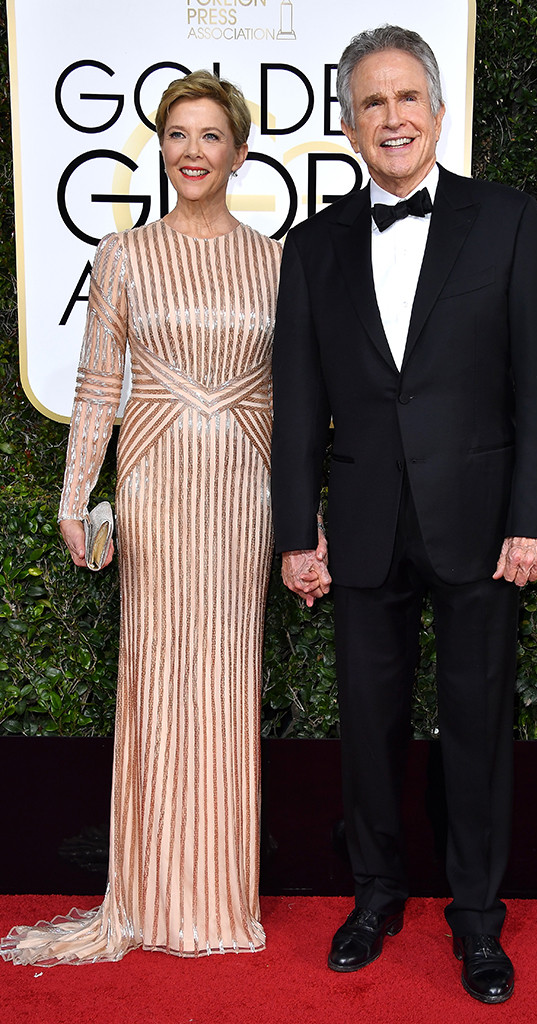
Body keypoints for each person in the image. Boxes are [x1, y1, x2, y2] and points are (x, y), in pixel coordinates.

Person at [271, 25, 537, 1004]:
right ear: (348, 124)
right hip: (359, 521)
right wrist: (294, 531)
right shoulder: (310, 246)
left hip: (482, 522)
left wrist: (533, 517)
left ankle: (476, 920)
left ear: (437, 112)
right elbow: (297, 399)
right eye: (370, 102)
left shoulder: (509, 219)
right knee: (368, 724)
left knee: (477, 724)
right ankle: (376, 895)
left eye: (406, 98)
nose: (390, 117)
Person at [1, 70, 282, 965]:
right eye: (176, 135)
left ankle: (220, 896)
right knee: (158, 672)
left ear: (239, 152)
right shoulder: (122, 254)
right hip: (157, 484)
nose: (191, 152)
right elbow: (96, 387)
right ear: (159, 148)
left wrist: (305, 512)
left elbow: (298, 391)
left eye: (209, 136)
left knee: (230, 674)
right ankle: (155, 894)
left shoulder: (278, 259)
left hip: (243, 488)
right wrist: (75, 493)